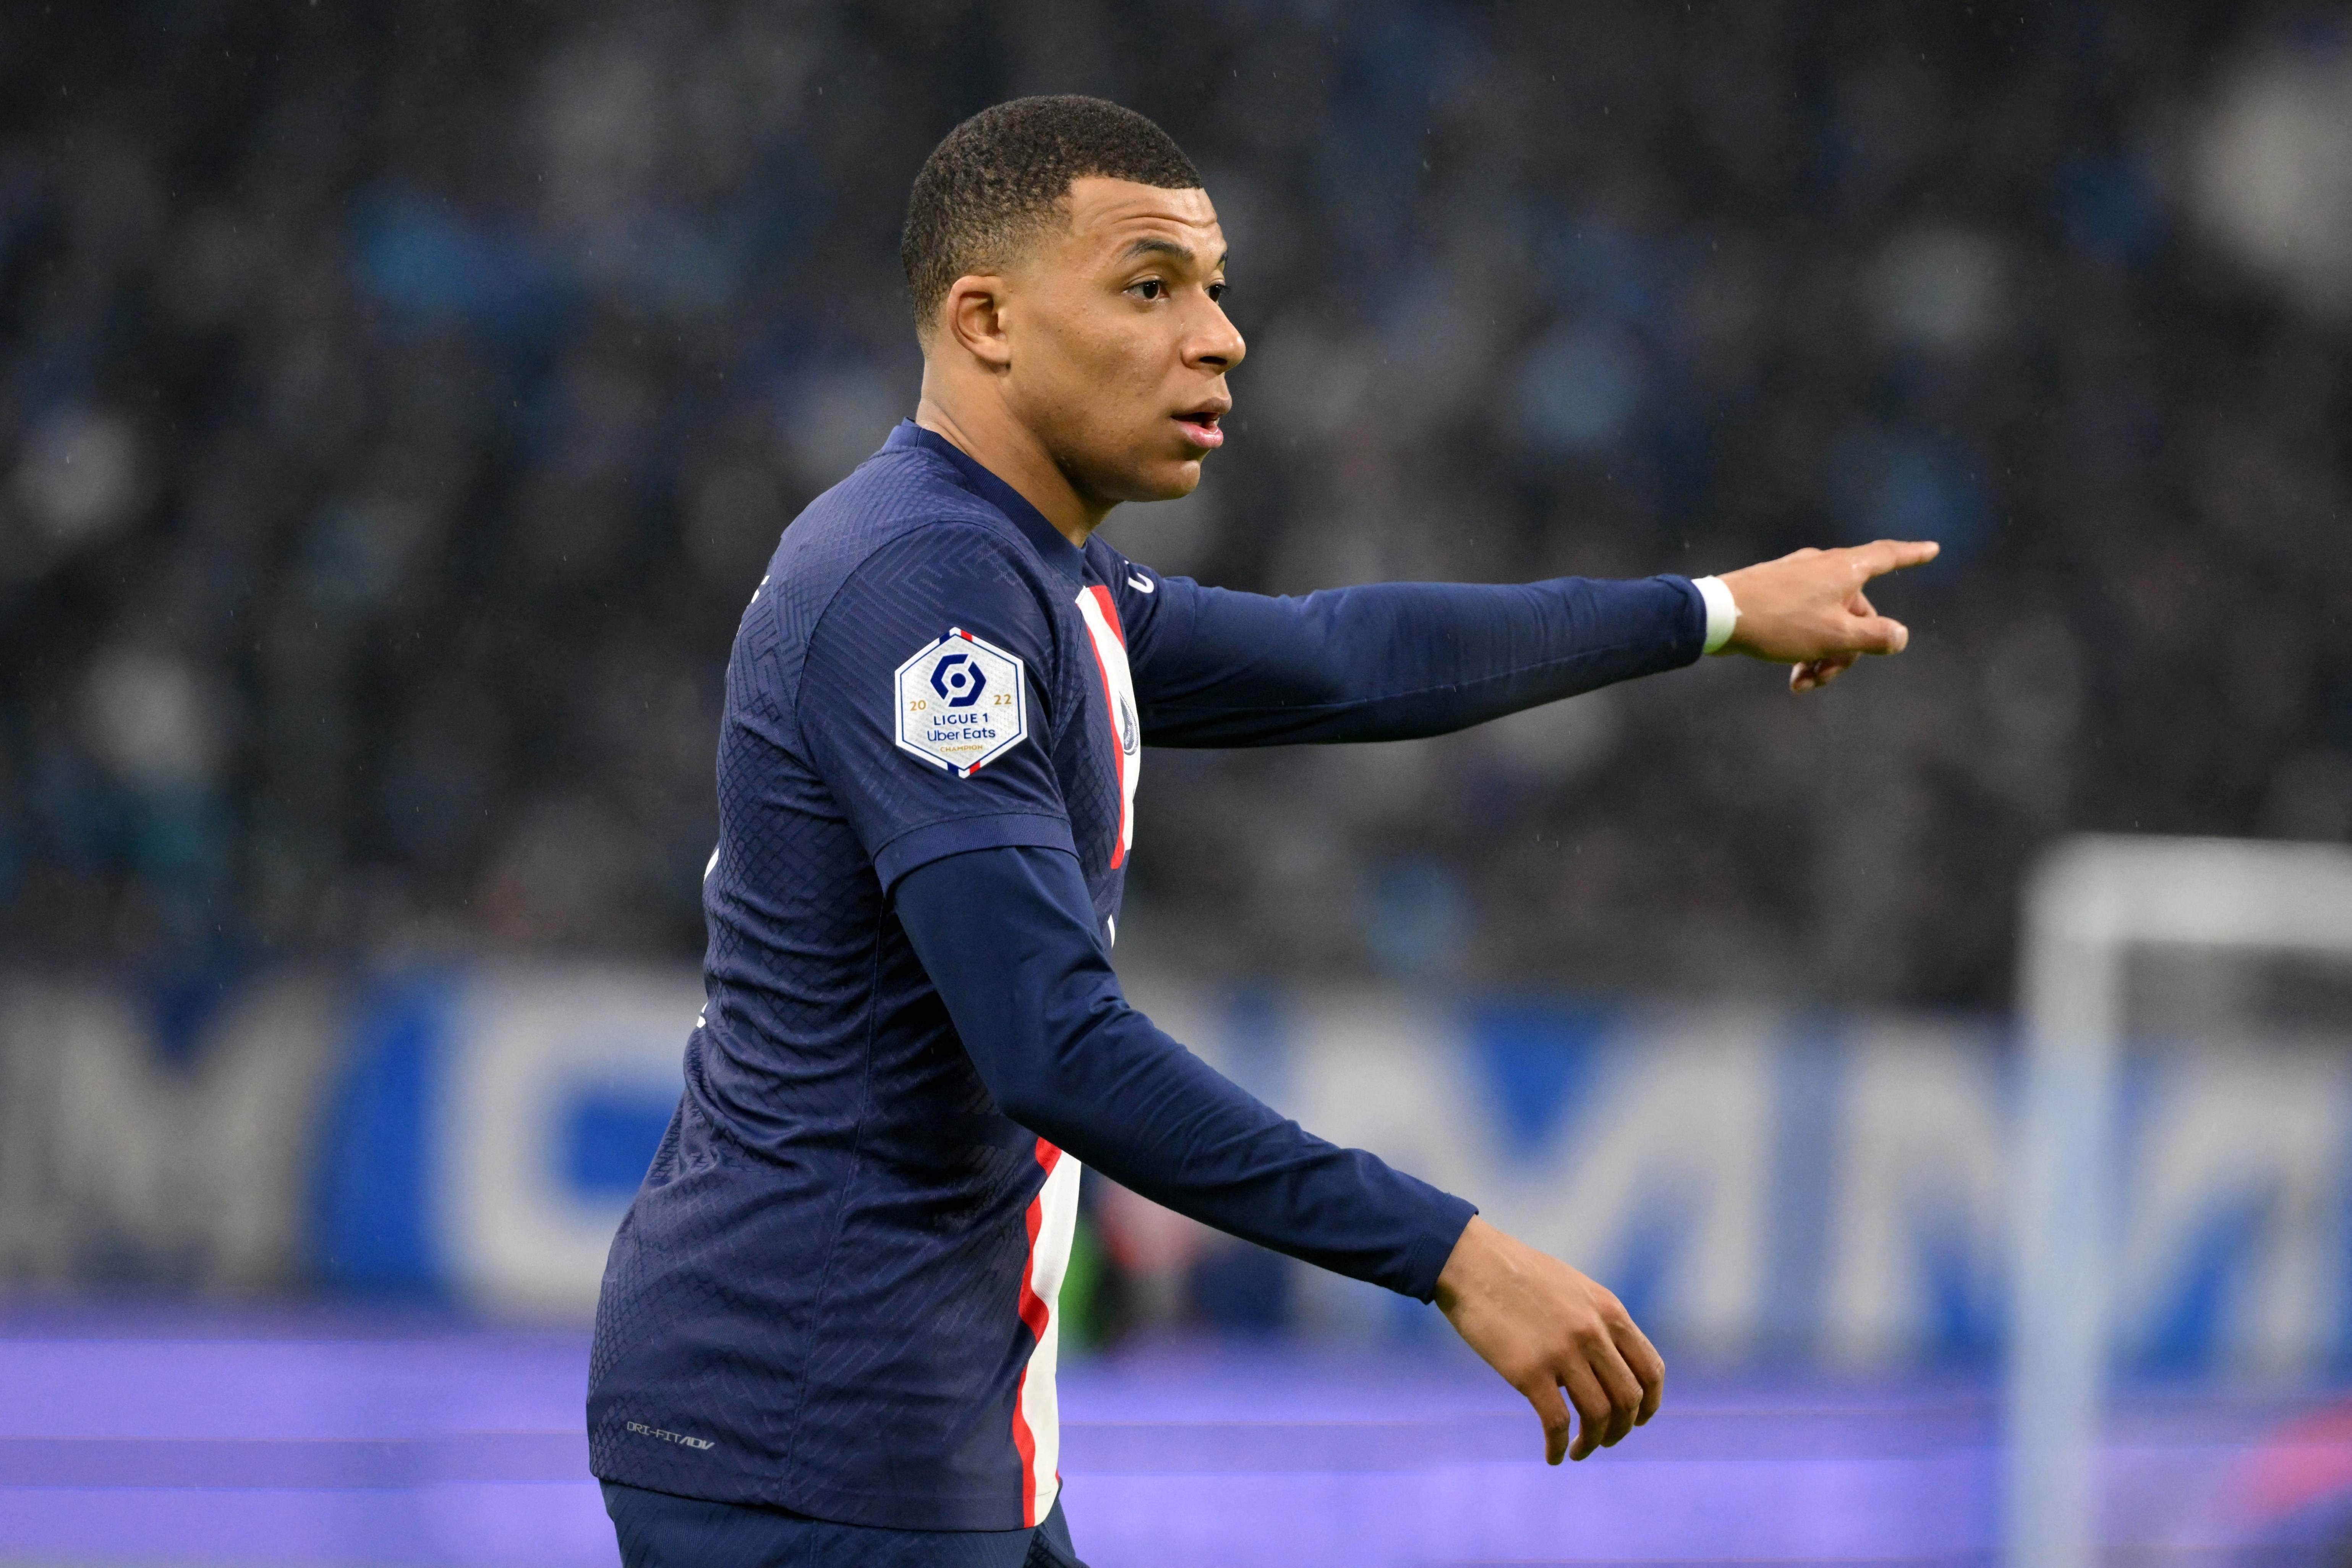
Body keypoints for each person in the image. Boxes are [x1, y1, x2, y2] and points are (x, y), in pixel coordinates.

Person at [587, 95, 1937, 1567]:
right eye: (1150, 285)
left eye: (1215, 288)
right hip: (809, 1444)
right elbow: (1051, 1043)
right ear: (984, 318)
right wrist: (1448, 1252)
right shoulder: (928, 594)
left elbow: (1345, 657)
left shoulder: (1029, 570)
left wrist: (1716, 611)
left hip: (916, 1431)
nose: (1220, 335)